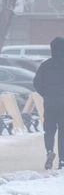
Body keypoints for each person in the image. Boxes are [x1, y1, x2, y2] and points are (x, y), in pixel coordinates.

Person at [33, 36, 64, 170]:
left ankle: (50, 151)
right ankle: (62, 161)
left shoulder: (45, 65)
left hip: (50, 103)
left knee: (49, 130)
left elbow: (37, 83)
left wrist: (46, 94)